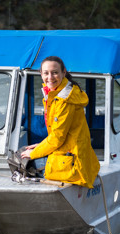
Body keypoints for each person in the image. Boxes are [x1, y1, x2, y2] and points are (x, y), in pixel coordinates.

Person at [21, 56, 100, 188]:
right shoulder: (54, 94)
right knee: (27, 155)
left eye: (55, 72)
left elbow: (58, 138)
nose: (50, 77)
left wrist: (34, 153)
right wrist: (40, 145)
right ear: (41, 74)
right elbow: (59, 132)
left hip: (72, 161)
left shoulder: (64, 99)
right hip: (72, 153)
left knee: (24, 162)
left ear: (64, 73)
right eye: (46, 73)